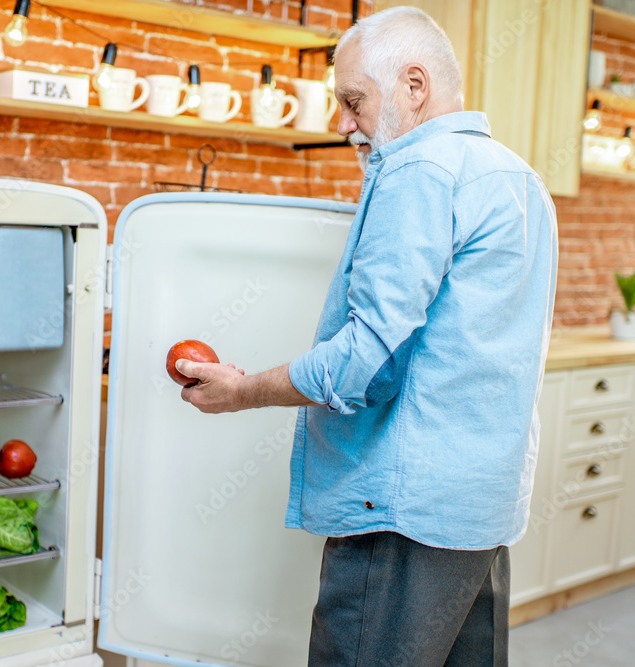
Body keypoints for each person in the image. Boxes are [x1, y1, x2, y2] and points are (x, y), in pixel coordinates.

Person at [176, 6, 558, 666]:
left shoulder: (418, 170)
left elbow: (365, 364)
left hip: (401, 513)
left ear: (414, 86)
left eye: (354, 101)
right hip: (479, 513)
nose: (344, 124)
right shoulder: (520, 180)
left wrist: (242, 390)